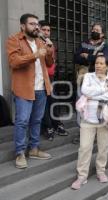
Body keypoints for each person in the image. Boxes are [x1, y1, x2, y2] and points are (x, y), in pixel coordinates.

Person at [6, 13, 54, 169]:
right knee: (22, 121)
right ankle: (20, 152)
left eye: (37, 24)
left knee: (36, 121)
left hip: (41, 88)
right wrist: (34, 55)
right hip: (24, 88)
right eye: (32, 24)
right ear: (23, 26)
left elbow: (48, 63)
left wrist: (50, 50)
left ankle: (34, 148)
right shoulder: (14, 40)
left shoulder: (40, 41)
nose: (36, 27)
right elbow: (14, 62)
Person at [71, 55, 108, 190]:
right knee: (84, 148)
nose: (98, 65)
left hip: (105, 118)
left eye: (102, 63)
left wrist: (93, 96)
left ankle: (101, 171)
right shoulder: (88, 76)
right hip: (88, 118)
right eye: (97, 63)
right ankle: (81, 176)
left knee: (104, 147)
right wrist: (103, 90)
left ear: (107, 66)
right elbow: (85, 90)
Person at [39, 20, 68, 141]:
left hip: (50, 78)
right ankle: (48, 127)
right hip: (40, 78)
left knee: (53, 100)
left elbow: (52, 62)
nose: (46, 32)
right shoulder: (37, 43)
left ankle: (57, 124)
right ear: (39, 29)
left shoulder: (50, 43)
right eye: (44, 30)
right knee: (44, 103)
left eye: (48, 30)